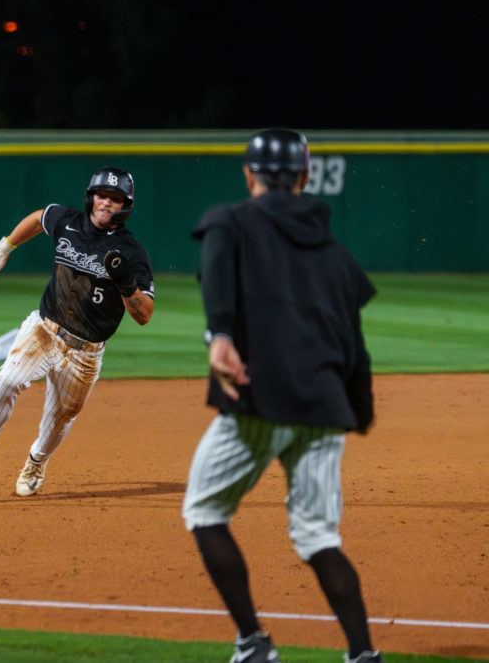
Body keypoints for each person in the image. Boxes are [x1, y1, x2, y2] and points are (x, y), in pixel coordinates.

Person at [182, 129, 381, 663]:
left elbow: (216, 263)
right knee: (318, 537)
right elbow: (356, 350)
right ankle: (364, 654)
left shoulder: (232, 221)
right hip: (325, 408)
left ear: (249, 175)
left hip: (260, 398)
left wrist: (220, 334)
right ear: (305, 176)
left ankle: (253, 644)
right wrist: (358, 413)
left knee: (205, 510)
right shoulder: (338, 256)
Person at [0, 167, 154, 496]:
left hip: (86, 351)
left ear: (125, 206)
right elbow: (40, 218)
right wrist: (6, 246)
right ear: (91, 196)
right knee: (8, 379)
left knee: (60, 416)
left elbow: (144, 315)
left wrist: (127, 285)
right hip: (45, 328)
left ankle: (36, 461)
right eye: (102, 195)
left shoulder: (131, 252)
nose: (107, 203)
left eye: (115, 199)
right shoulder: (66, 220)